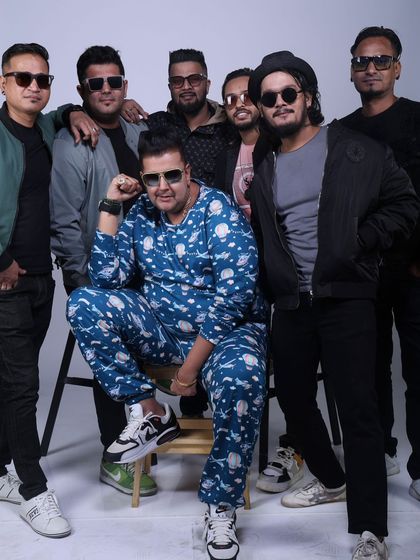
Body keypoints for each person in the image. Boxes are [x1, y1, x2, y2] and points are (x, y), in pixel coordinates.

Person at [247, 50, 419, 559]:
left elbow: (405, 203)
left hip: (346, 298)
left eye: (288, 93)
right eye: (269, 98)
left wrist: (361, 241)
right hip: (291, 304)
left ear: (308, 96)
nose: (279, 103)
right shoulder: (266, 164)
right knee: (294, 402)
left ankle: (370, 532)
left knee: (359, 412)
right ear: (262, 108)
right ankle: (331, 478)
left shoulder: (353, 148)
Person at [67, 128, 267, 560]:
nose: (162, 187)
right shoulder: (141, 211)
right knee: (84, 303)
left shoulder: (218, 211)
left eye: (172, 175)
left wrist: (188, 372)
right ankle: (150, 412)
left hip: (223, 336)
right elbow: (106, 280)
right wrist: (110, 205)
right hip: (162, 329)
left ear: (187, 171)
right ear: (142, 178)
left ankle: (221, 505)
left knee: (244, 374)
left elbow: (234, 300)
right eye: (152, 178)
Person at [0, 42, 98, 538]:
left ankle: (0, 470)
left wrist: (77, 109)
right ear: (3, 83)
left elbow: (62, 112)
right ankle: (34, 491)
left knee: (9, 382)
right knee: (23, 387)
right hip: (6, 282)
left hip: (41, 278)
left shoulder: (42, 127)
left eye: (42, 79)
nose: (34, 87)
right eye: (23, 78)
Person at [49, 45, 156, 498]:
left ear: (125, 85)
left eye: (114, 81)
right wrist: (82, 282)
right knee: (112, 355)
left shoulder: (138, 129)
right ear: (82, 90)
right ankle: (117, 457)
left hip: (148, 270)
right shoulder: (70, 142)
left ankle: (154, 434)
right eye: (97, 83)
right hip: (100, 272)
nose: (107, 90)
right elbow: (64, 220)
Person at [215, 67, 305, 493]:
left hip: (284, 269)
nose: (238, 104)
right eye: (229, 99)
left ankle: (296, 445)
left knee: (291, 361)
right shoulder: (226, 152)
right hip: (244, 274)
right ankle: (233, 442)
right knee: (241, 354)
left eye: (246, 96)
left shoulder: (280, 143)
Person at [341, 26, 420, 499]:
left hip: (414, 271)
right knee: (369, 369)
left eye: (381, 60)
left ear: (397, 68)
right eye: (362, 61)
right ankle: (381, 453)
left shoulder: (417, 119)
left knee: (419, 369)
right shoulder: (343, 130)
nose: (371, 69)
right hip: (365, 272)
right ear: (352, 69)